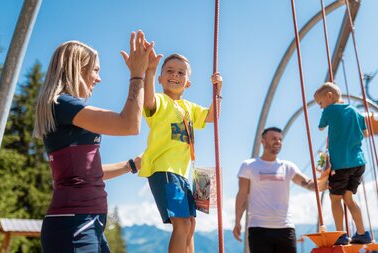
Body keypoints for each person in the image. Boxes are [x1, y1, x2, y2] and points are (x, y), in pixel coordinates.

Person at [34, 30, 153, 252]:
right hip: (74, 224)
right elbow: (129, 124)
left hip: (86, 221)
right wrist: (138, 74)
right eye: (95, 70)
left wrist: (132, 165)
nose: (98, 78)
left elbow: (86, 172)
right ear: (78, 69)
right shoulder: (62, 104)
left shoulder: (66, 108)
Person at [139, 52, 222, 253]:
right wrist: (149, 72)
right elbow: (148, 101)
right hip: (164, 169)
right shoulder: (159, 101)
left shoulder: (189, 107)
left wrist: (217, 91)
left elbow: (212, 116)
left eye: (180, 73)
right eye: (169, 71)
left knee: (191, 224)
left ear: (188, 83)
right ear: (160, 79)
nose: (175, 75)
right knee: (182, 224)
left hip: (184, 173)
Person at [233, 127, 326, 253]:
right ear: (263, 141)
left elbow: (309, 184)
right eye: (274, 139)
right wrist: (237, 221)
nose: (278, 142)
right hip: (258, 229)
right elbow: (242, 195)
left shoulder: (288, 167)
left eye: (280, 139)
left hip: (285, 229)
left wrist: (327, 180)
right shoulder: (249, 166)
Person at [314, 82, 372, 245]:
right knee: (349, 198)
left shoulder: (329, 110)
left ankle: (341, 235)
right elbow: (365, 132)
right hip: (359, 163)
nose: (321, 107)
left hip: (341, 165)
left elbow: (320, 127)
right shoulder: (356, 112)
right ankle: (362, 233)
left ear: (329, 96)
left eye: (320, 102)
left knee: (335, 198)